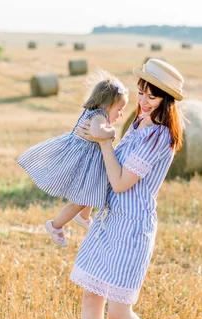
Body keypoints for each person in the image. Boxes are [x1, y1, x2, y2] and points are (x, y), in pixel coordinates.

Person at [58, 58, 185, 319]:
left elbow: (120, 181)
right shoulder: (139, 123)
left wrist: (104, 141)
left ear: (167, 101)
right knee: (90, 298)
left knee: (118, 311)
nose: (144, 101)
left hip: (132, 228)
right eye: (142, 92)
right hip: (109, 221)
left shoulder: (159, 137)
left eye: (152, 97)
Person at [16, 70, 129, 247]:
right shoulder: (99, 116)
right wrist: (112, 132)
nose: (121, 114)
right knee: (80, 201)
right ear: (107, 105)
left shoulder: (95, 113)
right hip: (83, 161)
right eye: (119, 109)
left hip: (88, 161)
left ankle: (84, 216)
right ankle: (56, 225)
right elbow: (96, 132)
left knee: (95, 186)